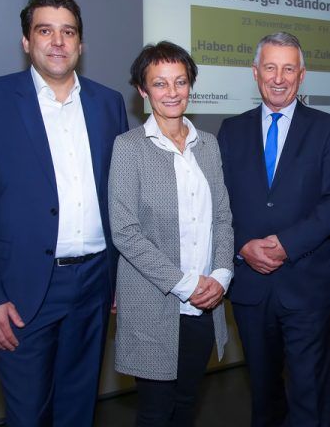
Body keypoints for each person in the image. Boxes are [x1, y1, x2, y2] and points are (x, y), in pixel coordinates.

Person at [0, 0, 129, 426]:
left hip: (93, 285)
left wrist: (122, 279)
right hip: (21, 291)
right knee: (28, 415)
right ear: (27, 42)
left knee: (77, 410)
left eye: (68, 32)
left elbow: (121, 198)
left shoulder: (108, 103)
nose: (58, 41)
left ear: (81, 45)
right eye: (45, 30)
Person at [217, 32, 330, 427]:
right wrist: (242, 246)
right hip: (250, 288)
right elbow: (217, 204)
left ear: (302, 74)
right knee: (263, 393)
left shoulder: (327, 128)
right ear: (255, 73)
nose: (279, 77)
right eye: (270, 67)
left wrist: (286, 244)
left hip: (305, 283)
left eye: (288, 68)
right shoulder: (230, 130)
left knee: (310, 393)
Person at [108, 41, 234, 427]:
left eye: (180, 81)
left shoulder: (208, 145)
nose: (172, 92)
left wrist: (221, 276)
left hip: (204, 305)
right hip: (153, 305)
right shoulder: (129, 148)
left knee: (186, 406)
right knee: (155, 413)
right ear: (144, 92)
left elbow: (223, 217)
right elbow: (125, 232)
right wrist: (184, 283)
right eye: (160, 84)